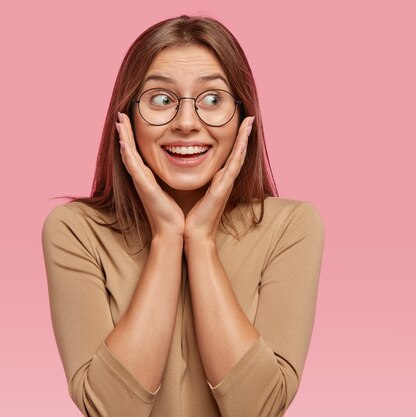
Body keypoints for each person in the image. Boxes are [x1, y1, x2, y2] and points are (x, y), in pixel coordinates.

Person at [41, 15, 324, 417]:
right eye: (161, 99)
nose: (187, 123)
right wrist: (167, 237)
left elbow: (257, 410)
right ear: (126, 117)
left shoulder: (291, 227)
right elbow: (111, 411)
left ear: (244, 116)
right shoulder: (75, 231)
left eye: (212, 100)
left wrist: (202, 241)